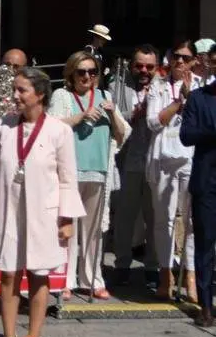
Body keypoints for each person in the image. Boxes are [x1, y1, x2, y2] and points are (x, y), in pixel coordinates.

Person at [0, 67, 85, 337]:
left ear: (40, 95)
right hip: (9, 210)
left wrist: (67, 218)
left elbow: (68, 178)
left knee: (39, 275)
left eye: (21, 90)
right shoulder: (4, 125)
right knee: (9, 273)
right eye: (15, 89)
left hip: (44, 213)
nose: (15, 96)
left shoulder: (59, 130)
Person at [49, 51, 127, 300]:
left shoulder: (105, 96)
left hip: (98, 170)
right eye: (81, 72)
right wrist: (81, 116)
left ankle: (92, 278)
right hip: (70, 170)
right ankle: (66, 279)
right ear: (71, 73)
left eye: (92, 72)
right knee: (68, 228)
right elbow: (51, 126)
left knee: (94, 230)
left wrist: (113, 112)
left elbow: (122, 134)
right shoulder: (62, 95)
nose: (87, 77)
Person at [146, 40, 202, 301]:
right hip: (163, 159)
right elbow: (152, 123)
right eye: (176, 57)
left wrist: (191, 99)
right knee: (163, 220)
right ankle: (165, 274)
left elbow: (203, 123)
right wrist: (178, 103)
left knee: (191, 221)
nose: (179, 62)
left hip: (190, 158)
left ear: (193, 61)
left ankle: (190, 275)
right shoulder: (158, 86)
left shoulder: (202, 87)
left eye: (185, 58)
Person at [109, 44, 160, 288]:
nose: (144, 71)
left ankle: (152, 267)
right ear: (131, 65)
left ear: (156, 68)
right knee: (124, 218)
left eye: (149, 67)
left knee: (154, 219)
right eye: (139, 65)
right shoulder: (118, 88)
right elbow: (114, 119)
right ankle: (122, 265)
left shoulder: (162, 88)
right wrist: (135, 114)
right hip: (128, 163)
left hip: (155, 164)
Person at [179, 42, 216, 327]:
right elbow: (186, 135)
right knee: (204, 243)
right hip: (206, 182)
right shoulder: (198, 99)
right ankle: (205, 303)